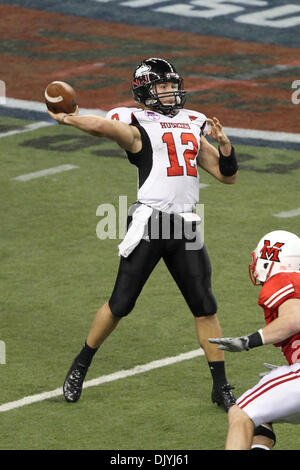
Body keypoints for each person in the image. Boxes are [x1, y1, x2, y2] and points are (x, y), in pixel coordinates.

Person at [47, 57, 238, 410]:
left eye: (172, 85)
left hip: (185, 224)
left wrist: (225, 146)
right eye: (162, 86)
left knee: (205, 306)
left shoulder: (193, 122)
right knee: (121, 303)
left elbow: (227, 176)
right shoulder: (135, 122)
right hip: (150, 221)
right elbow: (104, 128)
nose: (171, 91)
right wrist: (71, 119)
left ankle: (221, 386)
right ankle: (81, 364)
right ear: (144, 91)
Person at [209, 230, 300, 450]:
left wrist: (248, 341)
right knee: (262, 414)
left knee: (240, 412)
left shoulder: (283, 279)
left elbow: (294, 320)